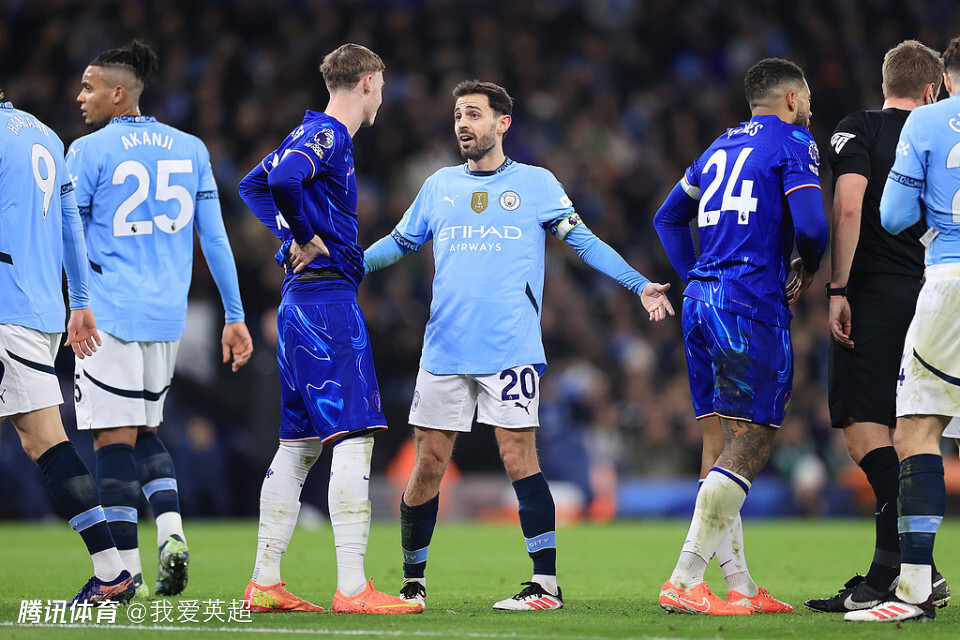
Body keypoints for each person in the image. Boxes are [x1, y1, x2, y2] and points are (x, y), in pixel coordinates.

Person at [362, 79, 674, 611]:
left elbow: (583, 241)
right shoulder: (439, 186)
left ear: (502, 123)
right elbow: (398, 243)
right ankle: (412, 582)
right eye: (458, 116)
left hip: (509, 347)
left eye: (474, 114)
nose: (463, 124)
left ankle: (544, 584)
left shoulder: (536, 183)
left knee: (518, 456)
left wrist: (637, 283)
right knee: (428, 463)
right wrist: (348, 268)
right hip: (444, 348)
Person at [237, 43, 421, 616]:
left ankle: (266, 581)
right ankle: (353, 588)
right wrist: (303, 235)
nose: (382, 96)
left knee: (298, 448)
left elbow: (251, 185)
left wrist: (290, 235)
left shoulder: (304, 131)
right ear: (367, 82)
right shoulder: (329, 136)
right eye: (381, 85)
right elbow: (283, 180)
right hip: (327, 306)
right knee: (355, 438)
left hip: (296, 307)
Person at [67, 40, 253, 598]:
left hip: (109, 315)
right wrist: (235, 314)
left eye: (89, 87)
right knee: (147, 431)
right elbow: (215, 239)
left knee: (111, 440)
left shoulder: (88, 151)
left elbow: (70, 234)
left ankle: (123, 574)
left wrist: (77, 303)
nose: (80, 97)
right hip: (168, 317)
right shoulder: (191, 148)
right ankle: (171, 532)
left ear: (118, 94)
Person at [653, 58, 828, 615]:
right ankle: (685, 579)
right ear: (792, 98)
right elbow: (813, 226)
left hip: (701, 303)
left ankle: (741, 586)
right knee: (751, 444)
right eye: (806, 97)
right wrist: (807, 266)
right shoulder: (793, 142)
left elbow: (667, 218)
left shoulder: (717, 147)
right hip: (750, 304)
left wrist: (699, 277)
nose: (808, 106)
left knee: (719, 447)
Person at [804, 40, 950, 614]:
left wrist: (838, 288)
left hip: (877, 295)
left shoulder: (859, 127)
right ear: (932, 89)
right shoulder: (941, 133)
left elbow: (848, 205)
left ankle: (909, 570)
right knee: (916, 431)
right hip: (932, 291)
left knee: (866, 434)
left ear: (885, 82)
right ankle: (895, 570)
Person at [0, 90, 135, 605]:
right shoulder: (46, 136)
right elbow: (70, 227)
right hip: (39, 310)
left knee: (46, 441)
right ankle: (111, 571)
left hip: (6, 308)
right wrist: (79, 302)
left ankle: (111, 571)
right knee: (44, 441)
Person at [845, 36, 960, 624]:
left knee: (916, 429)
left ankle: (914, 587)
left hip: (948, 280)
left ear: (946, 81)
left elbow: (891, 216)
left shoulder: (927, 122)